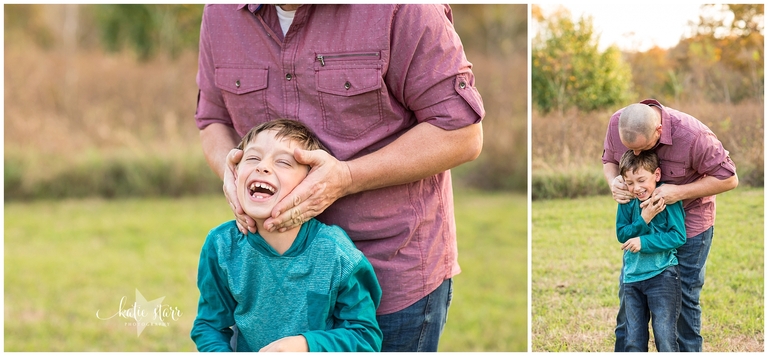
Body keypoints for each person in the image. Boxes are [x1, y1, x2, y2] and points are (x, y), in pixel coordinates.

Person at [195, 4, 484, 352]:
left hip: (390, 273)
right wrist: (231, 172)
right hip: (263, 278)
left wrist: (346, 176)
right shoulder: (220, 13)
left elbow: (462, 134)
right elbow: (212, 120)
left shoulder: (405, 9)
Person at [191, 120, 382, 352]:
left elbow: (364, 336)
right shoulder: (221, 246)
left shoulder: (336, 253)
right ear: (235, 172)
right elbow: (209, 326)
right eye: (252, 158)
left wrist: (306, 345)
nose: (262, 167)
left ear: (311, 184)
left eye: (283, 162)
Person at [602, 99, 738, 352]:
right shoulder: (619, 122)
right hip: (639, 224)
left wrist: (679, 192)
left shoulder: (695, 136)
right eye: (631, 150)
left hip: (690, 222)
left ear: (659, 131)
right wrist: (614, 183)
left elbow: (729, 179)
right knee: (629, 303)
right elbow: (609, 160)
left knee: (683, 303)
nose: (638, 155)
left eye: (643, 148)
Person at [616, 149, 686, 352]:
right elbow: (622, 234)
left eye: (641, 180)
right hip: (632, 279)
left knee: (665, 337)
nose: (636, 188)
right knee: (633, 340)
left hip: (662, 276)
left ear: (656, 174)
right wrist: (644, 218)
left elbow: (678, 236)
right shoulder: (627, 202)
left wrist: (644, 242)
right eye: (629, 183)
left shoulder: (667, 199)